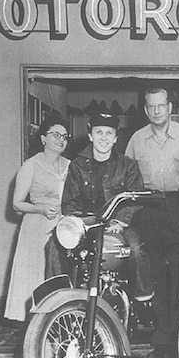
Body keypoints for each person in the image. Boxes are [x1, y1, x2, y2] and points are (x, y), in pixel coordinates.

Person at [125, 88, 179, 358]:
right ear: (145, 110)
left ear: (170, 107)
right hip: (146, 207)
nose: (157, 110)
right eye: (151, 106)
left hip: (178, 207)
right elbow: (126, 177)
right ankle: (161, 335)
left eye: (162, 105)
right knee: (154, 269)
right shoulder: (136, 140)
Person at [47, 109, 154, 307]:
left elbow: (135, 198)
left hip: (119, 224)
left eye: (109, 133)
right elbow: (70, 202)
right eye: (99, 132)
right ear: (90, 135)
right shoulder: (77, 165)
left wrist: (120, 221)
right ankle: (59, 302)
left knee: (138, 250)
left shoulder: (128, 165)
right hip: (87, 225)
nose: (103, 138)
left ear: (115, 138)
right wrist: (79, 224)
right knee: (55, 244)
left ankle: (143, 302)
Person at [4, 116, 71, 323]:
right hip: (36, 227)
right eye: (56, 135)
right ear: (43, 138)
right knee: (35, 274)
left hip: (63, 227)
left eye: (65, 136)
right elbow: (17, 203)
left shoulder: (71, 165)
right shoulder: (31, 165)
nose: (61, 139)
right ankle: (36, 324)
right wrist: (40, 208)